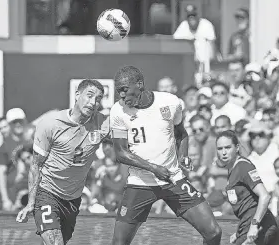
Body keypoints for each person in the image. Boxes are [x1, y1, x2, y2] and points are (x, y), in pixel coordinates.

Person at [110, 65, 222, 245]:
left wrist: (183, 156)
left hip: (173, 180)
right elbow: (121, 153)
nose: (121, 96)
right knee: (118, 243)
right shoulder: (118, 111)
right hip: (140, 183)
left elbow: (181, 133)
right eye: (118, 92)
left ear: (139, 84)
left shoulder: (170, 102)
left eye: (124, 90)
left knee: (214, 232)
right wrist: (153, 168)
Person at [16, 79, 110, 245]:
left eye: (98, 99)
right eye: (89, 96)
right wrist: (31, 202)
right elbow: (36, 165)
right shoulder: (50, 124)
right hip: (47, 193)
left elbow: (130, 128)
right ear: (77, 95)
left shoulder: (103, 123)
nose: (93, 102)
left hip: (72, 201)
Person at [216, 130, 279, 245]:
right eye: (220, 149)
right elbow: (247, 205)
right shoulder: (232, 169)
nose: (224, 152)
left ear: (237, 148)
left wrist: (254, 225)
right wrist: (238, 232)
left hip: (262, 227)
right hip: (249, 226)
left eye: (228, 147)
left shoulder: (243, 166)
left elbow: (265, 196)